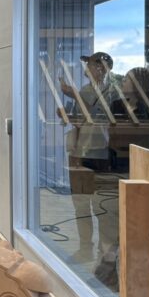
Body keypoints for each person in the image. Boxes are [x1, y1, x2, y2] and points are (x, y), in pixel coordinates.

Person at [61, 52, 115, 264]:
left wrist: (73, 95)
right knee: (81, 203)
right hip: (80, 152)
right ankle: (85, 248)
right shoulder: (84, 90)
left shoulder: (111, 92)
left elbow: (99, 115)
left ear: (101, 68)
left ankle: (105, 253)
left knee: (101, 206)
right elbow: (79, 119)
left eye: (90, 64)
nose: (86, 67)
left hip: (100, 153)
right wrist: (65, 114)